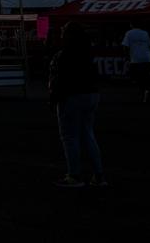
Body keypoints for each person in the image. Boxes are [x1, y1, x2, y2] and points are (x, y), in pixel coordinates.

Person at [48, 22, 105, 187]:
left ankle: (74, 175)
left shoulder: (63, 55)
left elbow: (58, 79)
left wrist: (53, 98)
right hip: (91, 94)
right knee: (88, 133)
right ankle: (99, 175)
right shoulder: (87, 53)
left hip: (72, 96)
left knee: (70, 137)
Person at [121, 21, 150, 103]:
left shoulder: (129, 33)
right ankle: (145, 90)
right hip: (146, 58)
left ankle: (143, 91)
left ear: (131, 25)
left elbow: (125, 46)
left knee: (137, 77)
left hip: (135, 59)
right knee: (145, 76)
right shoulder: (145, 33)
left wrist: (127, 58)